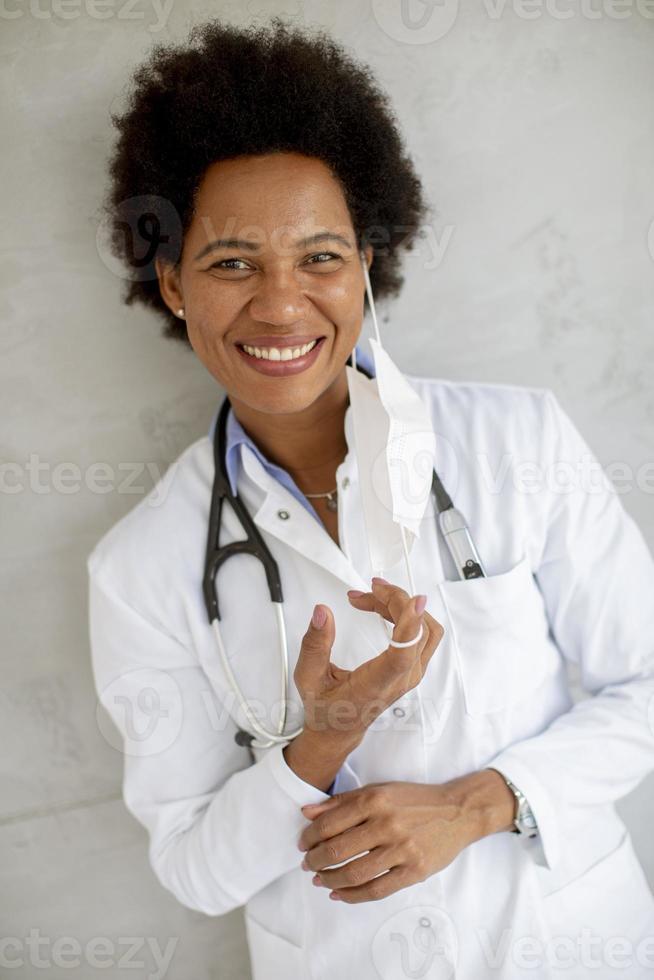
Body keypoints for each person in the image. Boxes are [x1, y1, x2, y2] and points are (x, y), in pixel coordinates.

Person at [88, 16, 654, 979]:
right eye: (232, 263)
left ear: (366, 268)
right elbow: (193, 867)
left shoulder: (517, 440)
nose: (279, 304)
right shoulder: (142, 566)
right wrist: (326, 741)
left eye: (320, 256)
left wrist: (482, 802)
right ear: (175, 283)